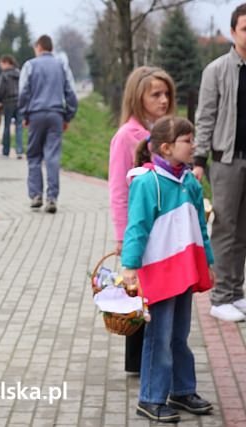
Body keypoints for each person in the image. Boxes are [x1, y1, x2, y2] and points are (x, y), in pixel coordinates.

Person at [122, 116, 214, 423]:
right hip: (160, 273)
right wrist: (130, 267)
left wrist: (208, 262)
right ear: (166, 147)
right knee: (158, 338)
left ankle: (182, 389)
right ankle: (150, 397)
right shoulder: (147, 183)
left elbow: (200, 225)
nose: (194, 146)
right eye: (188, 141)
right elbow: (136, 227)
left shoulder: (189, 182)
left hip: (185, 271)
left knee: (180, 334)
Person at [108, 66, 176, 374]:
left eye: (166, 94)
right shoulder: (127, 136)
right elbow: (118, 190)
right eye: (155, 94)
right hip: (140, 228)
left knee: (160, 290)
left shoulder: (166, 132)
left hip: (167, 226)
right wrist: (123, 236)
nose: (163, 100)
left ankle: (159, 353)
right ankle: (138, 361)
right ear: (139, 97)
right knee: (140, 292)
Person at [194, 2, 246, 322]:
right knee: (225, 229)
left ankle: (236, 293)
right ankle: (220, 296)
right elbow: (205, 117)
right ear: (233, 32)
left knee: (243, 230)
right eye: (245, 28)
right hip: (227, 162)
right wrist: (199, 159)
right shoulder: (216, 71)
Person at [18, 35, 78, 213]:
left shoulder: (30, 65)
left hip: (35, 115)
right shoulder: (62, 65)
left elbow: (23, 92)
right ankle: (52, 198)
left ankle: (36, 195)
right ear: (51, 48)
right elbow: (71, 93)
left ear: (38, 47)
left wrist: (24, 114)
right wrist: (68, 116)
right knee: (52, 157)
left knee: (34, 155)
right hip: (56, 114)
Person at [0, 54, 23, 158]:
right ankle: (19, 150)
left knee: (7, 126)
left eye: (1, 63)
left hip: (8, 102)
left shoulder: (4, 75)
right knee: (19, 126)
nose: (1, 66)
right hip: (19, 101)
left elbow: (0, 89)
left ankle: (6, 151)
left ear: (7, 63)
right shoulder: (19, 73)